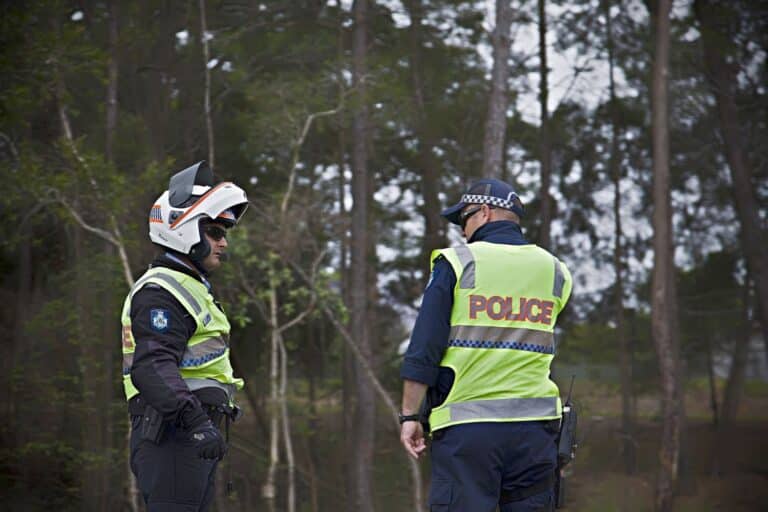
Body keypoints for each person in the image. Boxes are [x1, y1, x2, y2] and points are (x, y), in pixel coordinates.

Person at [399, 179, 572, 511]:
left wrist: (409, 415)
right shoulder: (555, 270)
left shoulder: (457, 262)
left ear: (486, 212)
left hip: (468, 429)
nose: (463, 232)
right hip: (536, 431)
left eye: (464, 219)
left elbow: (424, 347)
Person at [121, 161, 249, 511]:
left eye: (225, 233)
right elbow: (152, 367)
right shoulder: (161, 292)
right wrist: (194, 423)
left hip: (190, 433)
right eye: (215, 232)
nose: (224, 243)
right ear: (184, 229)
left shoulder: (190, 287)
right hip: (173, 435)